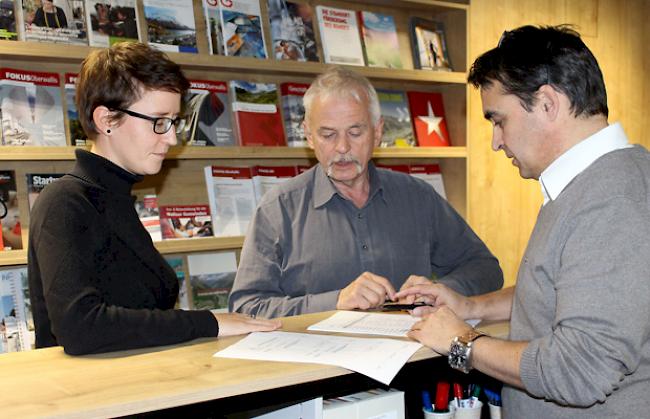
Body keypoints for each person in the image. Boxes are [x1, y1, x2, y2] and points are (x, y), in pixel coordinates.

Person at [397, 25, 650, 418]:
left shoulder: (612, 201)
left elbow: (579, 370)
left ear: (548, 103)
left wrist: (463, 342)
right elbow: (562, 291)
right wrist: (469, 305)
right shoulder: (591, 185)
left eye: (499, 120)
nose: (497, 141)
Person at [27, 42, 280, 356]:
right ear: (106, 119)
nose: (172, 138)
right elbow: (80, 327)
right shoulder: (64, 203)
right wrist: (207, 322)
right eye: (159, 121)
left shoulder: (116, 198)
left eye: (174, 122)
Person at [229, 66, 503, 318]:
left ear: (377, 131)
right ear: (309, 136)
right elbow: (246, 307)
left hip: (412, 363)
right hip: (319, 369)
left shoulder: (418, 197)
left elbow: (485, 269)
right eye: (328, 135)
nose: (342, 147)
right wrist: (334, 301)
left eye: (355, 132)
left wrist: (440, 290)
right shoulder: (277, 209)